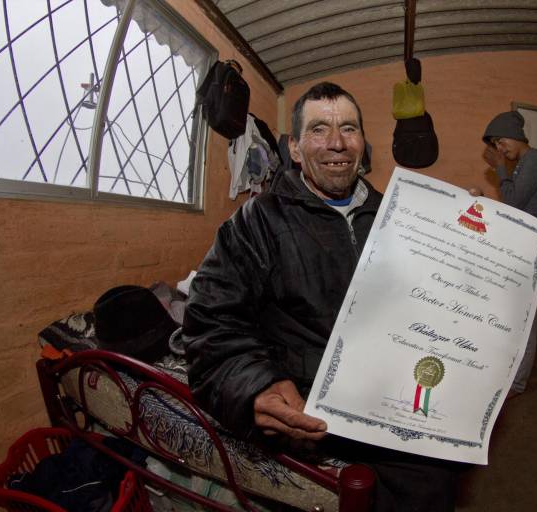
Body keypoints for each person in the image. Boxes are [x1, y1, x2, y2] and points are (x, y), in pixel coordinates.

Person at [182, 82, 461, 511]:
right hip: (310, 397)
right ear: (294, 148)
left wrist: (470, 243)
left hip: (393, 389)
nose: (336, 142)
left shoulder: (402, 216)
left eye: (348, 128)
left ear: (363, 144)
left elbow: (432, 301)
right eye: (318, 130)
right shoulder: (257, 221)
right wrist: (256, 385)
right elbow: (210, 321)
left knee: (441, 465)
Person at [480, 110, 537, 396]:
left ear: (517, 135)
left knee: (523, 317)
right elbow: (516, 208)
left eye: (501, 142)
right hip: (521, 247)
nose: (500, 149)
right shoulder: (524, 165)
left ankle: (517, 382)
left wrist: (500, 168)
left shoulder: (536, 159)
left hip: (530, 249)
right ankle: (508, 373)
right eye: (496, 145)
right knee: (511, 314)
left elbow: (512, 204)